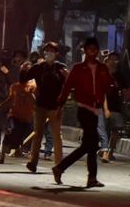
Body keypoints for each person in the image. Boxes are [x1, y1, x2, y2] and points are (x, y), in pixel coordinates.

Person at [52, 38, 114, 187]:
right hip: (84, 108)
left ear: (98, 51)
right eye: (89, 49)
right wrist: (60, 106)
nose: (92, 52)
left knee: (90, 145)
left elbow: (110, 84)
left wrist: (110, 72)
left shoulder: (102, 68)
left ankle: (86, 176)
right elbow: (67, 87)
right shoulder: (78, 68)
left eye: (95, 49)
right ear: (85, 51)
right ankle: (63, 168)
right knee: (91, 144)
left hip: (96, 109)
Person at [24, 42, 67, 173]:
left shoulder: (61, 68)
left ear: (57, 54)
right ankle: (33, 161)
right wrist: (24, 70)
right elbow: (24, 79)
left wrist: (67, 76)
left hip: (55, 106)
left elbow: (69, 85)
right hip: (40, 105)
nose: (49, 53)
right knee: (37, 134)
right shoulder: (38, 67)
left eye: (52, 51)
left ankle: (59, 165)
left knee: (56, 136)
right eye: (47, 51)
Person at [0, 63, 35, 164]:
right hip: (14, 116)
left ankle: (16, 149)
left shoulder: (31, 87)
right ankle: (2, 157)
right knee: (9, 132)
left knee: (18, 137)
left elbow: (35, 100)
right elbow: (10, 99)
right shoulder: (14, 87)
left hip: (26, 118)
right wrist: (1, 106)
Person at [0, 49, 18, 154]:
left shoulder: (13, 70)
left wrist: (8, 73)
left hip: (10, 101)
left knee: (10, 126)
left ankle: (7, 146)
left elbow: (15, 84)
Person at [100, 51, 126, 163]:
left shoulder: (120, 76)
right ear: (108, 60)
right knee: (104, 130)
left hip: (116, 107)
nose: (114, 61)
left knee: (115, 130)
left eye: (116, 59)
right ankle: (104, 150)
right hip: (103, 106)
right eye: (112, 59)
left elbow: (125, 90)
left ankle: (110, 151)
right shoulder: (102, 74)